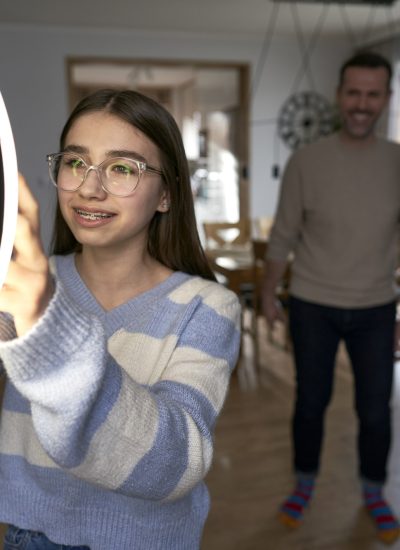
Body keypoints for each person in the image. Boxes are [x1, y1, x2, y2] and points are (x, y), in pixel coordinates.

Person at [0, 89, 241, 550]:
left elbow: (177, 464)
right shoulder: (22, 286)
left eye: (122, 168)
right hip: (29, 538)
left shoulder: (208, 307)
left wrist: (49, 331)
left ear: (166, 195)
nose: (89, 188)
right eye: (75, 162)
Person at [262, 51, 400, 544]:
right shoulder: (307, 161)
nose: (362, 104)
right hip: (313, 303)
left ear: (385, 99)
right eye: (353, 93)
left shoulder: (397, 163)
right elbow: (282, 236)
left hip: (376, 308)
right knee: (310, 402)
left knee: (376, 409)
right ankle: (304, 484)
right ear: (340, 96)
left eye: (372, 94)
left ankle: (374, 491)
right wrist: (268, 296)